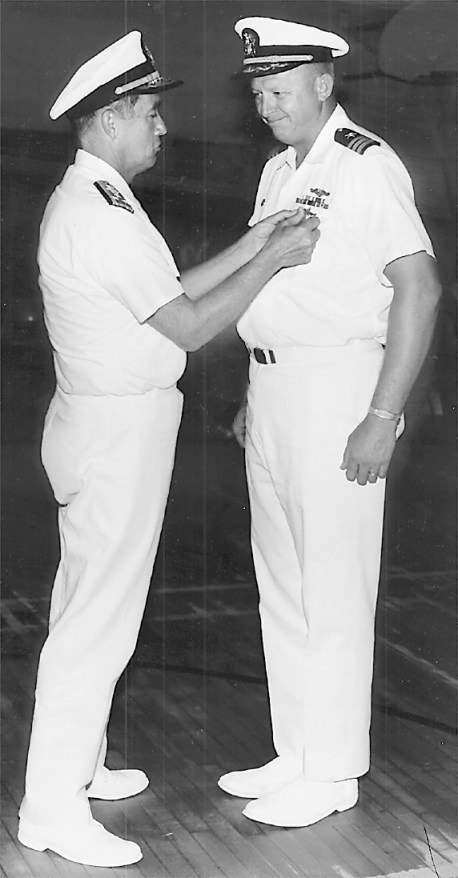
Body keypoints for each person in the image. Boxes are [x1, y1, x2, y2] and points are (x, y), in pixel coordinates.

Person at [17, 30, 320, 868]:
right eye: (150, 113)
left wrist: (259, 240)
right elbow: (188, 326)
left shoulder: (104, 199)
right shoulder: (99, 214)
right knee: (95, 624)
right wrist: (280, 258)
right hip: (115, 434)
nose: (162, 128)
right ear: (111, 118)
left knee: (93, 605)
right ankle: (50, 810)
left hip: (112, 427)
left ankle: (77, 767)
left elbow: (173, 290)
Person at [217, 17, 442, 828]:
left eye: (278, 88)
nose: (265, 102)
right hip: (275, 391)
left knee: (334, 587)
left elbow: (418, 288)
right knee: (284, 585)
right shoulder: (283, 167)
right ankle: (299, 751)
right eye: (257, 91)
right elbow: (276, 287)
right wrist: (254, 388)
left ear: (323, 82)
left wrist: (383, 414)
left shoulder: (363, 164)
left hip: (339, 392)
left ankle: (337, 770)